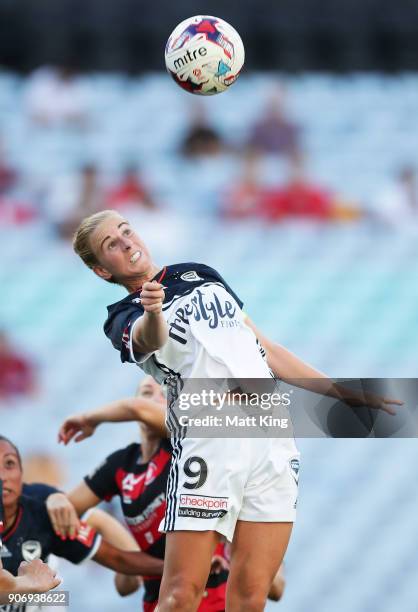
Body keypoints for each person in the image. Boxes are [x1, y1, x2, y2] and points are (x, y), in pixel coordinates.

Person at [72, 209, 400, 612]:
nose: (125, 242)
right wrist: (153, 311)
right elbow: (147, 339)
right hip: (211, 440)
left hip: (272, 437)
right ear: (103, 270)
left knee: (250, 597)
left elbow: (267, 349)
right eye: (111, 245)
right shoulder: (123, 316)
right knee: (179, 595)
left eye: (126, 231)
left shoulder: (200, 274)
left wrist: (343, 392)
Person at [48, 376, 230, 612]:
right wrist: (54, 497)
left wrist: (89, 418)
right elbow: (64, 511)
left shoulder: (188, 444)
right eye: (147, 393)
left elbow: (136, 408)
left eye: (165, 394)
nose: (155, 399)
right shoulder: (122, 463)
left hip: (215, 598)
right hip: (158, 601)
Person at [0, 433, 164, 603]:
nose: (3, 477)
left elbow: (101, 527)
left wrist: (171, 570)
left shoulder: (43, 509)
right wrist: (29, 583)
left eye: (10, 464)